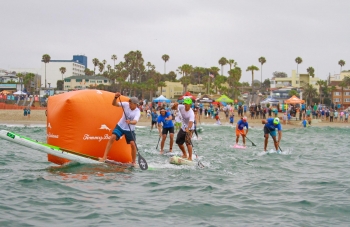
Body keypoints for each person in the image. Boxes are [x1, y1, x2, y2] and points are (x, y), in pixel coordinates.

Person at [99, 93, 140, 165]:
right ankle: (104, 157)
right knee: (112, 137)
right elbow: (114, 104)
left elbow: (135, 121)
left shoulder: (137, 111)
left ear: (135, 104)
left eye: (131, 104)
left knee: (133, 144)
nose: (129, 104)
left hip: (130, 129)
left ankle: (133, 162)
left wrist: (130, 122)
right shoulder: (126, 104)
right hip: (120, 126)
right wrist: (115, 98)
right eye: (129, 103)